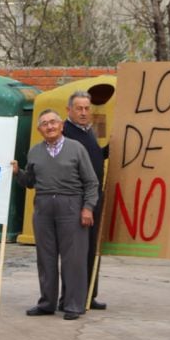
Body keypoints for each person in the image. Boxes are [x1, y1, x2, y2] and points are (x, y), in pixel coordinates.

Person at [12, 108, 99, 320]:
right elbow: (30, 182)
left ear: (61, 126)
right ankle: (47, 303)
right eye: (45, 123)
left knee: (73, 258)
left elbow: (91, 182)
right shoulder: (34, 152)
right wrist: (17, 173)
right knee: (46, 257)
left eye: (53, 122)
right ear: (39, 129)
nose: (50, 126)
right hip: (43, 207)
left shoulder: (76, 148)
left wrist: (88, 207)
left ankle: (73, 305)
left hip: (71, 206)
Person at [61, 90, 109, 311]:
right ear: (69, 110)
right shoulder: (66, 133)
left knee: (91, 249)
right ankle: (70, 298)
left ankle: (89, 294)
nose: (83, 112)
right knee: (75, 253)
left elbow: (95, 156)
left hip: (94, 197)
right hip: (78, 200)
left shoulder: (88, 130)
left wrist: (111, 147)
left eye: (86, 108)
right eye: (79, 108)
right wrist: (85, 205)